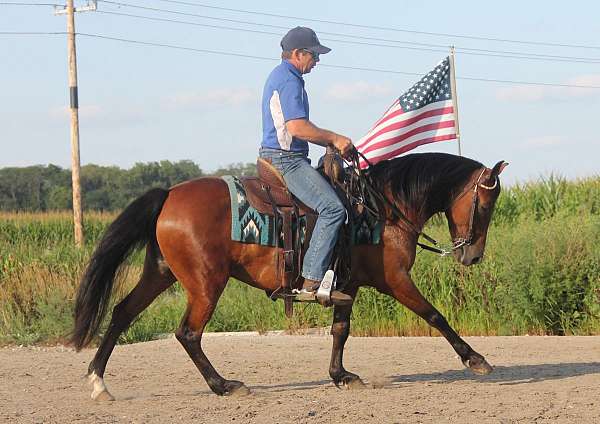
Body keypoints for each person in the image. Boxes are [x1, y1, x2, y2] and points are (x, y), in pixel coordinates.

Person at [259, 26, 353, 304]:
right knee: (333, 209)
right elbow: (297, 127)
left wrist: (327, 143)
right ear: (298, 54)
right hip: (286, 160)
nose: (318, 60)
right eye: (314, 54)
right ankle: (312, 282)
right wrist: (334, 138)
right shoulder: (289, 79)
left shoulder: (283, 76)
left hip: (283, 156)